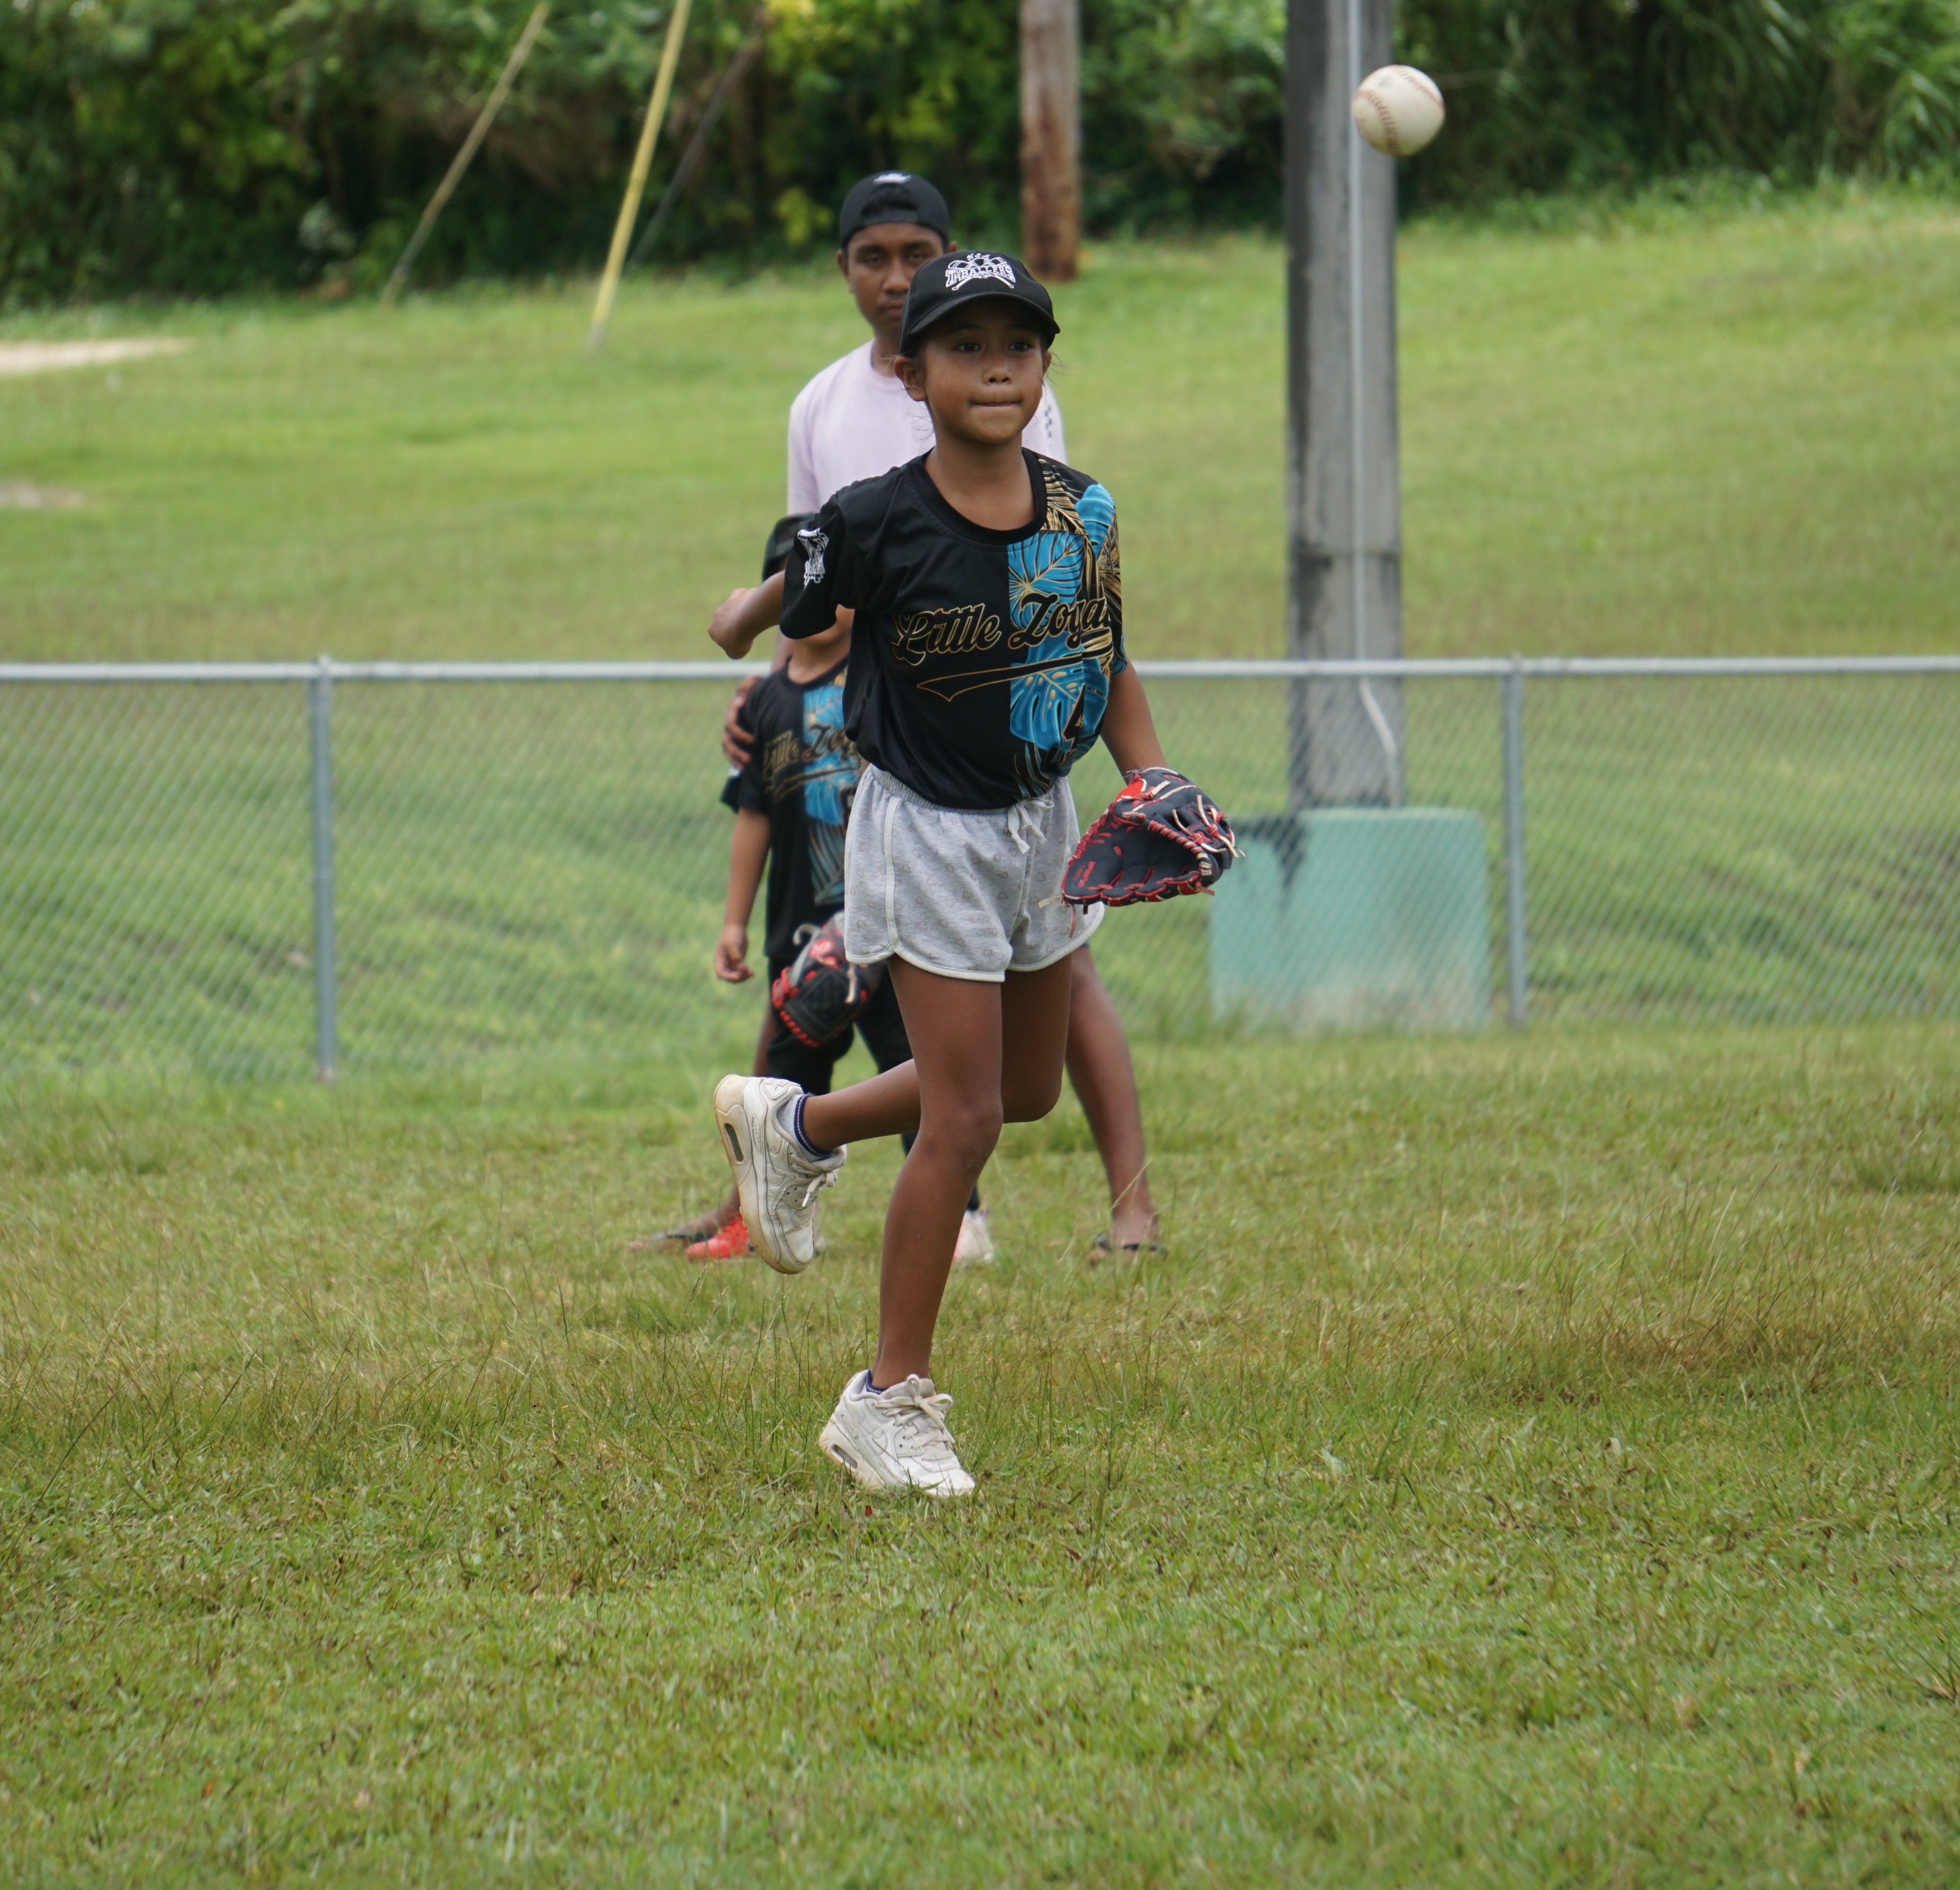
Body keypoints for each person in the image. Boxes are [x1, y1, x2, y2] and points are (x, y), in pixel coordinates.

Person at [705, 251, 1180, 1495]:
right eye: (963, 349)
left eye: (1016, 346)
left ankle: (797, 1124)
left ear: (1043, 366)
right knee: (963, 1119)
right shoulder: (876, 514)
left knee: (1022, 1092)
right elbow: (758, 616)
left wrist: (1149, 783)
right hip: (924, 829)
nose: (995, 368)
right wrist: (757, 613)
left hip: (1041, 819)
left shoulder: (1082, 512)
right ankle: (886, 1399)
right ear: (911, 375)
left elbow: (1107, 659)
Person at [691, 576, 988, 1263]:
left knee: (916, 1066)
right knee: (785, 1079)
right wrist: (734, 923)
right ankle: (772, 1213)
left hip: (883, 925)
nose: (819, 607)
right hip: (799, 930)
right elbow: (754, 817)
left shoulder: (881, 675)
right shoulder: (765, 702)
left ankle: (963, 1220)